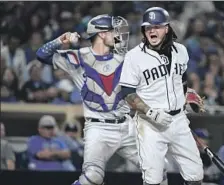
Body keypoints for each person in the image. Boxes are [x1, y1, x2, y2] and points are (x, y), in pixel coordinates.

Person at [36, 14, 168, 185]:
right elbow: (42, 55)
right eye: (114, 31)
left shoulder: (125, 58)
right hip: (98, 128)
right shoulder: (78, 57)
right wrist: (60, 40)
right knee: (93, 177)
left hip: (126, 125)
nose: (118, 35)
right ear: (102, 34)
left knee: (158, 168)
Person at [119, 7, 204, 185]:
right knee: (153, 179)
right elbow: (127, 93)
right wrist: (150, 112)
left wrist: (187, 94)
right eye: (148, 27)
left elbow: (180, 80)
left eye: (156, 26)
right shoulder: (134, 57)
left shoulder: (181, 51)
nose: (152, 31)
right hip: (149, 125)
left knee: (195, 176)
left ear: (166, 28)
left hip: (179, 120)